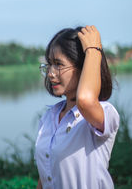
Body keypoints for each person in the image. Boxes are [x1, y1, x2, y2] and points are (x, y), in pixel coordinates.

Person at [35, 25, 119, 189]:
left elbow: (85, 100)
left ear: (83, 68)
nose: (51, 73)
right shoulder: (48, 117)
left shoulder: (103, 113)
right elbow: (46, 174)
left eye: (59, 64)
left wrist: (93, 49)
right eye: (49, 64)